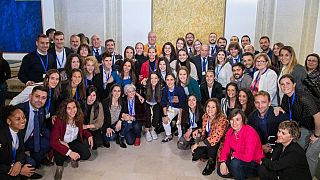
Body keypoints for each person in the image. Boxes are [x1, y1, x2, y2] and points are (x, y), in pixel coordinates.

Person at [277, 74, 320, 177]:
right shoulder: (286, 97)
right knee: (296, 149)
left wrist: (316, 135)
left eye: (288, 83)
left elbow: (318, 117)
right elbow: (285, 110)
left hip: (318, 126)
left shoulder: (303, 97)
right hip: (306, 127)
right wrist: (277, 108)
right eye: (282, 84)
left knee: (310, 155)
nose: (285, 86)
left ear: (294, 85)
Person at [50, 98, 93, 180]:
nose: (72, 110)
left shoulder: (79, 117)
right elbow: (53, 142)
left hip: (73, 141)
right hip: (62, 143)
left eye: (74, 107)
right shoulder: (59, 120)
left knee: (86, 155)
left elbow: (81, 128)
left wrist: (89, 135)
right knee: (60, 155)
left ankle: (73, 157)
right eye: (69, 108)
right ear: (64, 110)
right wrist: (69, 152)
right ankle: (59, 168)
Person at [218, 109, 264, 180]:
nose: (234, 123)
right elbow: (225, 148)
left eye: (237, 119)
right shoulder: (230, 131)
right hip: (240, 158)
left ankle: (238, 174)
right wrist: (223, 162)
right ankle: (238, 173)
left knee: (234, 164)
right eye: (232, 120)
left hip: (254, 163)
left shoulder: (250, 133)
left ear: (243, 120)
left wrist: (235, 155)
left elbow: (248, 157)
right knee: (220, 170)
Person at [16, 86, 51, 172]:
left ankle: (34, 159)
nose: (40, 100)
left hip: (27, 141)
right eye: (37, 96)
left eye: (43, 98)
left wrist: (57, 139)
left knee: (48, 143)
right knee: (31, 165)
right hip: (14, 145)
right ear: (30, 96)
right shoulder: (19, 110)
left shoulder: (41, 110)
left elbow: (43, 129)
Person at [191, 98, 228, 175]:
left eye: (213, 107)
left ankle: (211, 162)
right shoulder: (205, 116)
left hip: (218, 142)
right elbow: (205, 130)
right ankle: (208, 155)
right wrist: (198, 130)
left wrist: (197, 144)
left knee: (211, 146)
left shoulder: (222, 119)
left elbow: (215, 138)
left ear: (217, 108)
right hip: (208, 139)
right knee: (195, 153)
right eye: (208, 106)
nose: (210, 109)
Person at [0, 105, 37, 179]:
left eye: (23, 117)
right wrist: (18, 170)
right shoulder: (2, 136)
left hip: (12, 159)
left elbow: (21, 150)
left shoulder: (20, 131)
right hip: (3, 166)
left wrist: (19, 163)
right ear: (9, 121)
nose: (23, 121)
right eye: (18, 119)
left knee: (31, 164)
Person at [248, 91, 288, 157]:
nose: (260, 106)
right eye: (257, 102)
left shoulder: (278, 115)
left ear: (269, 103)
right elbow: (250, 137)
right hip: (260, 151)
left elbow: (288, 135)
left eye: (263, 102)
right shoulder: (251, 117)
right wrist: (260, 147)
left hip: (279, 150)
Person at [161, 73, 186, 142]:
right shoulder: (165, 90)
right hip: (172, 108)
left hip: (182, 108)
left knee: (179, 122)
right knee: (165, 121)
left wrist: (180, 117)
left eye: (171, 80)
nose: (169, 82)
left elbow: (182, 104)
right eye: (167, 80)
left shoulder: (179, 89)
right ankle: (168, 135)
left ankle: (180, 138)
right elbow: (164, 103)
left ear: (174, 80)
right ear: (165, 81)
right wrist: (165, 115)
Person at [102, 84, 127, 148]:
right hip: (109, 125)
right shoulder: (105, 102)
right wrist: (107, 127)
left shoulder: (123, 102)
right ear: (111, 92)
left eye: (119, 91)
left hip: (118, 125)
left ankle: (120, 137)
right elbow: (102, 118)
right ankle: (116, 135)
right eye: (115, 91)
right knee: (111, 137)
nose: (117, 93)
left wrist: (120, 121)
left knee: (128, 123)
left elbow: (125, 113)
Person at [144, 72, 162, 141]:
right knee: (147, 116)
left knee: (156, 116)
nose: (153, 80)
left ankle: (153, 129)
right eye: (151, 78)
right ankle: (147, 130)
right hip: (147, 103)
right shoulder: (145, 86)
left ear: (158, 79)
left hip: (156, 103)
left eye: (155, 78)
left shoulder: (161, 87)